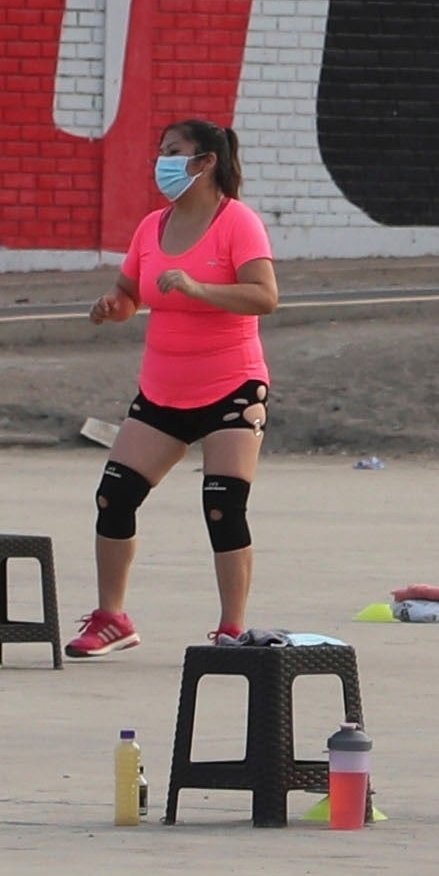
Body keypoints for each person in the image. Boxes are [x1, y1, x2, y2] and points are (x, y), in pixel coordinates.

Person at [72, 117, 279, 659]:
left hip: (231, 386)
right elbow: (128, 292)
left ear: (205, 162)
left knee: (222, 504)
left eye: (174, 152)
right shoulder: (151, 228)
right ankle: (112, 618)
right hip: (163, 389)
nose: (161, 162)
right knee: (113, 496)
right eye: (160, 151)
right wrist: (113, 307)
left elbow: (264, 296)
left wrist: (198, 287)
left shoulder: (239, 224)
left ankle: (232, 629)